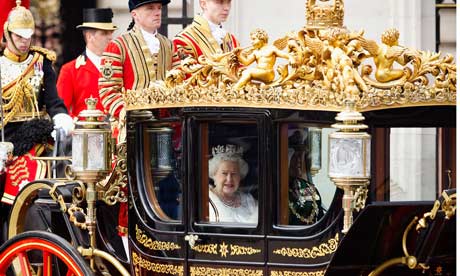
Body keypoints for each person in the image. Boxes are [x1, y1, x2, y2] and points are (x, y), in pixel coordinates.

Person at [98, 0, 175, 251]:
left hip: (162, 133)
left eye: (159, 8)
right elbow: (108, 91)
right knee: (127, 196)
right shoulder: (117, 46)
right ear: (134, 14)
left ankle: (158, 247)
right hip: (130, 136)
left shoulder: (167, 46)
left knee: (162, 191)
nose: (156, 12)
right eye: (149, 8)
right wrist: (130, 115)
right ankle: (128, 252)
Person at [0, 1, 73, 240]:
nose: (24, 42)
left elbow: (52, 100)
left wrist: (61, 116)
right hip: (5, 137)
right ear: (7, 33)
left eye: (28, 37)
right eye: (19, 37)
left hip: (37, 135)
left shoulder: (41, 63)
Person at [57, 8, 117, 118]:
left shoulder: (118, 66)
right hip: (86, 132)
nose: (110, 37)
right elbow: (62, 110)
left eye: (111, 32)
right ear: (89, 36)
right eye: (104, 33)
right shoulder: (70, 70)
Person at [173, 0, 238, 67]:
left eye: (228, 2)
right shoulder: (184, 40)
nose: (226, 8)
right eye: (220, 2)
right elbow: (185, 75)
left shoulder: (232, 40)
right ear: (203, 3)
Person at [208, 144, 258, 224]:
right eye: (224, 173)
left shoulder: (249, 201)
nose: (229, 179)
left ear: (240, 176)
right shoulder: (206, 201)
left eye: (234, 174)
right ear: (214, 174)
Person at [287, 130, 323, 225]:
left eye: (300, 155)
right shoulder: (273, 192)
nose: (299, 160)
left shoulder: (308, 187)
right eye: (294, 156)